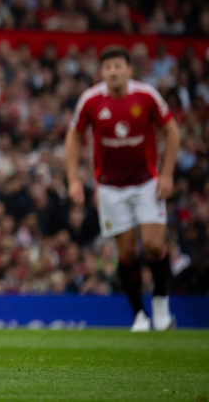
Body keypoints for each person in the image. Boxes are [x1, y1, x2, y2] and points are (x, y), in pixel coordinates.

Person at [65, 45, 180, 332]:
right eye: (108, 67)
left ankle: (161, 307)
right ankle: (139, 315)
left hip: (146, 183)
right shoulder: (90, 100)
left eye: (118, 66)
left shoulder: (147, 95)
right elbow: (73, 136)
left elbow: (172, 130)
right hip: (110, 188)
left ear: (129, 69)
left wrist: (166, 174)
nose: (113, 71)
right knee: (127, 253)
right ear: (101, 72)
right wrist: (74, 180)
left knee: (154, 246)